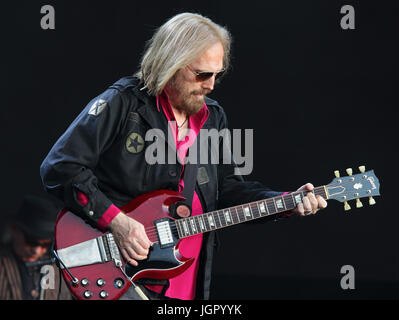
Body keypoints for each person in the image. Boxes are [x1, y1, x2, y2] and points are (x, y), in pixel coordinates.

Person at [40, 12, 327, 300]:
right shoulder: (124, 103)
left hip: (185, 281)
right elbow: (61, 167)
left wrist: (286, 201)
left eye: (217, 74)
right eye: (202, 74)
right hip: (122, 275)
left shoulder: (213, 116)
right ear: (171, 62)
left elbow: (229, 189)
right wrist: (119, 222)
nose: (211, 84)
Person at [0, 194, 72, 300]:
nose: (37, 251)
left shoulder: (56, 268)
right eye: (32, 241)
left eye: (45, 244)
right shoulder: (2, 264)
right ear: (14, 229)